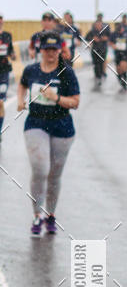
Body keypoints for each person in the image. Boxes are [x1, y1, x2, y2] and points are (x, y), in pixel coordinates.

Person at [17, 31, 80, 235]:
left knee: (54, 174)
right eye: (47, 49)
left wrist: (56, 98)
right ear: (40, 50)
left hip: (61, 125)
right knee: (40, 168)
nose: (51, 53)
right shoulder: (31, 70)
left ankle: (50, 214)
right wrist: (20, 100)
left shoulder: (66, 73)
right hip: (36, 122)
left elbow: (76, 102)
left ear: (60, 50)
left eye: (54, 49)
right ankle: (37, 215)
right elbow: (22, 84)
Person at [0, 15, 16, 141]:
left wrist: (13, 55)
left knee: (0, 102)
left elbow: (11, 51)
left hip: (4, 72)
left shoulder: (7, 35)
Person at [109, 14, 127, 90]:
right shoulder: (114, 34)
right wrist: (113, 45)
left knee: (123, 66)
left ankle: (124, 80)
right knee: (118, 70)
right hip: (117, 53)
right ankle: (120, 79)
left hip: (125, 52)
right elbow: (110, 42)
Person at [85, 18, 110, 87]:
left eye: (99, 24)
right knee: (95, 63)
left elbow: (111, 38)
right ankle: (97, 76)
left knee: (101, 63)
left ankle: (100, 75)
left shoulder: (105, 31)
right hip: (95, 50)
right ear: (95, 25)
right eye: (97, 25)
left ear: (101, 25)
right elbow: (86, 38)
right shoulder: (92, 31)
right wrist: (93, 39)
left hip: (103, 50)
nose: (98, 26)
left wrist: (106, 38)